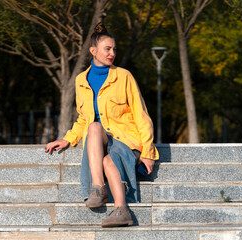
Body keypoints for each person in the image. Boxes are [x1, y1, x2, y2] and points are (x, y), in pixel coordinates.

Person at [45, 22, 159, 227]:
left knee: (109, 161)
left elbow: (142, 115)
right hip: (98, 139)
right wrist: (67, 139)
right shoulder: (81, 80)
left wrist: (148, 152)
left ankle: (122, 210)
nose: (112, 53)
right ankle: (98, 188)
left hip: (125, 138)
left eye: (114, 49)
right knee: (94, 127)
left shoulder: (124, 76)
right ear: (93, 51)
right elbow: (83, 119)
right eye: (107, 49)